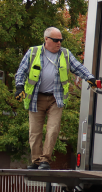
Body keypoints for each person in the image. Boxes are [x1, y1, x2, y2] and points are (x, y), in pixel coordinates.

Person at [14, 27, 97, 170]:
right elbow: (21, 70)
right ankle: (36, 161)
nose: (59, 43)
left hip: (55, 98)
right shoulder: (33, 52)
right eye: (56, 40)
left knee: (53, 130)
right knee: (34, 132)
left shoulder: (65, 54)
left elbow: (78, 67)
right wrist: (19, 87)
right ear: (46, 40)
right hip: (36, 98)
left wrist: (90, 78)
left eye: (61, 40)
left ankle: (45, 160)